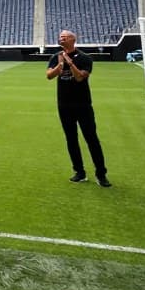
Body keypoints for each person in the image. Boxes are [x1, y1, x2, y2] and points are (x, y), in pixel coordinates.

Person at [46, 30, 110, 187]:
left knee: (91, 138)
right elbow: (49, 75)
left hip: (82, 105)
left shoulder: (84, 58)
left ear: (73, 40)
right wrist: (61, 64)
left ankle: (101, 174)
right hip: (64, 105)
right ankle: (79, 172)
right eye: (60, 37)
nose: (61, 39)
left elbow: (80, 77)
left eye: (64, 37)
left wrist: (70, 63)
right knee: (71, 139)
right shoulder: (56, 57)